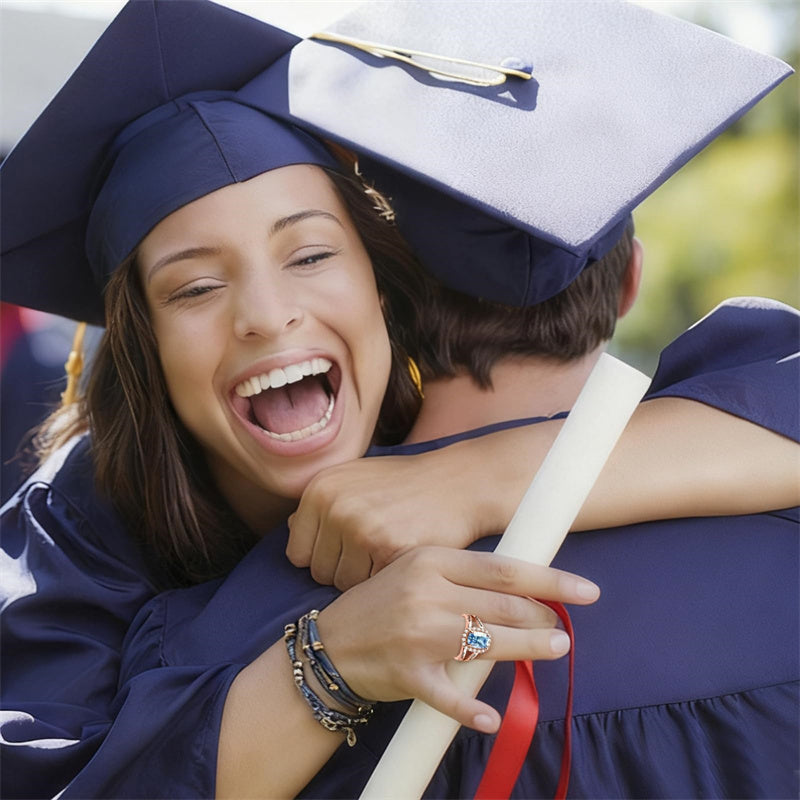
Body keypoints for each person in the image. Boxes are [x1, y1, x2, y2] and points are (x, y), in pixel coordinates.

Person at [0, 2, 796, 799]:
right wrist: (330, 665)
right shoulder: (90, 537)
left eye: (310, 254)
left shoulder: (215, 638)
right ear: (142, 348)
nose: (267, 315)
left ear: (387, 294)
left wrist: (468, 479)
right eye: (196, 287)